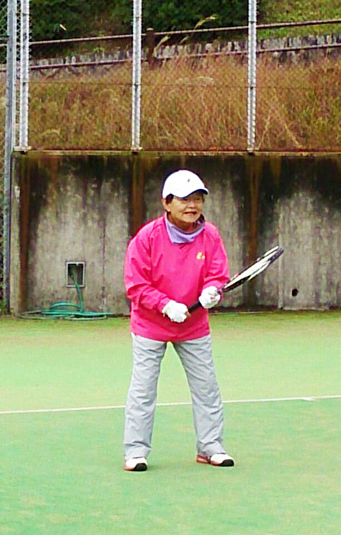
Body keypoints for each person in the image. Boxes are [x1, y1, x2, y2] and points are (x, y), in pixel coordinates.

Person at [123, 168, 235, 471]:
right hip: (150, 326)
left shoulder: (210, 235)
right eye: (185, 199)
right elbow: (136, 285)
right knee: (143, 390)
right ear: (166, 202)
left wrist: (213, 290)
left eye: (197, 199)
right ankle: (135, 452)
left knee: (207, 388)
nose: (192, 205)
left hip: (194, 326)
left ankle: (211, 447)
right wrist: (166, 305)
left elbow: (217, 274)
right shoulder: (146, 238)